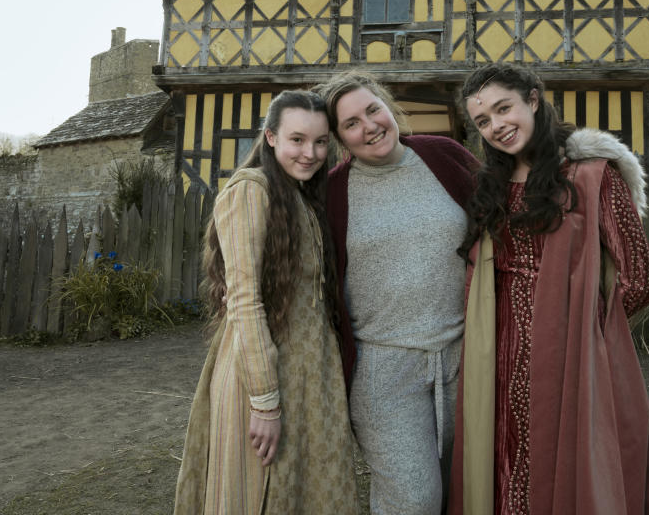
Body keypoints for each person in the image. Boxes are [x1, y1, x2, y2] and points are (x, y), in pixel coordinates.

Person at [449, 64, 649, 515]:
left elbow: (641, 277)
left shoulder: (591, 174)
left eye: (503, 108)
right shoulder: (492, 186)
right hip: (495, 354)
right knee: (500, 463)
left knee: (558, 471)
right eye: (483, 121)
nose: (496, 126)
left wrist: (585, 335)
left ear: (533, 99)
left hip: (569, 357)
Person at [173, 90, 356, 515]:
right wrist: (264, 401)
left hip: (311, 373)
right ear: (270, 138)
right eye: (297, 140)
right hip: (264, 375)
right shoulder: (252, 190)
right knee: (257, 494)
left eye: (320, 142)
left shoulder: (301, 196)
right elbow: (244, 301)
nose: (310, 153)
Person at [316, 72, 479, 515]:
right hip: (383, 368)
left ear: (389, 108)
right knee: (413, 499)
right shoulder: (332, 192)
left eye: (373, 110)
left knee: (464, 490)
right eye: (351, 124)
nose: (368, 126)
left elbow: (503, 219)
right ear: (339, 138)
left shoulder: (445, 157)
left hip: (465, 358)